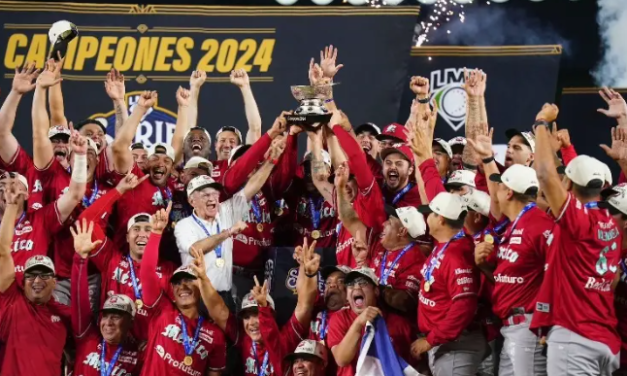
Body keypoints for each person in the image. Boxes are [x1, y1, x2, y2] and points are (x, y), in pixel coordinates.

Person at [531, 104, 621, 375]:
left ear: (568, 186)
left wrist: (541, 124)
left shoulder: (577, 220)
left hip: (576, 339)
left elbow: (545, 174)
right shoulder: (613, 224)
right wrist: (568, 152)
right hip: (605, 340)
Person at [174, 137, 285, 306]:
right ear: (191, 201)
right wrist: (227, 233)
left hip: (229, 290)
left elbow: (251, 187)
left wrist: (271, 161)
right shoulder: (184, 226)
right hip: (201, 293)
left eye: (214, 194)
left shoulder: (225, 212)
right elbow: (196, 249)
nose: (211, 198)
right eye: (205, 195)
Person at [76, 173, 175, 342]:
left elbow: (172, 317)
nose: (142, 234)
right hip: (111, 345)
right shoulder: (111, 258)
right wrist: (119, 190)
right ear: (127, 237)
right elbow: (86, 220)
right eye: (136, 229)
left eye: (148, 229)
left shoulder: (169, 270)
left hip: (147, 351)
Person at [477, 163, 553, 376]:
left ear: (508, 192)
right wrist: (483, 266)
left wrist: (546, 322)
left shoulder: (540, 225)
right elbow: (511, 279)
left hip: (530, 326)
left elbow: (557, 276)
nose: (494, 193)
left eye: (498, 187)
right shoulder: (515, 225)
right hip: (512, 327)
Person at [139, 205, 227, 376]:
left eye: (188, 280)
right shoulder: (161, 310)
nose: (183, 286)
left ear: (200, 287)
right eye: (177, 283)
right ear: (172, 290)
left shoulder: (215, 334)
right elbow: (147, 273)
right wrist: (156, 233)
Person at [0, 181, 70, 376]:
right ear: (22, 281)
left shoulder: (66, 314)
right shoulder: (12, 301)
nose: (37, 280)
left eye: (44, 275)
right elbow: (3, 253)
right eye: (31, 275)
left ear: (55, 282)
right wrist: (12, 206)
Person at [412, 192, 485, 376]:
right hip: (447, 344)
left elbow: (464, 305)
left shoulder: (456, 254)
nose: (426, 217)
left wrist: (430, 340)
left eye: (430, 213)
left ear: (441, 219)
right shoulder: (445, 245)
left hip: (457, 345)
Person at [71, 219, 142, 376]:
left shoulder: (137, 357)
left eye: (116, 316)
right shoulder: (87, 338)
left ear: (130, 322)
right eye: (106, 315)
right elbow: (79, 300)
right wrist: (81, 259)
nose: (108, 322)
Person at [327, 266, 417, 376]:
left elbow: (411, 365)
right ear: (347, 296)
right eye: (350, 285)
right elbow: (341, 359)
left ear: (376, 291)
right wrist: (358, 323)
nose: (356, 288)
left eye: (362, 283)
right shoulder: (339, 319)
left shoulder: (399, 324)